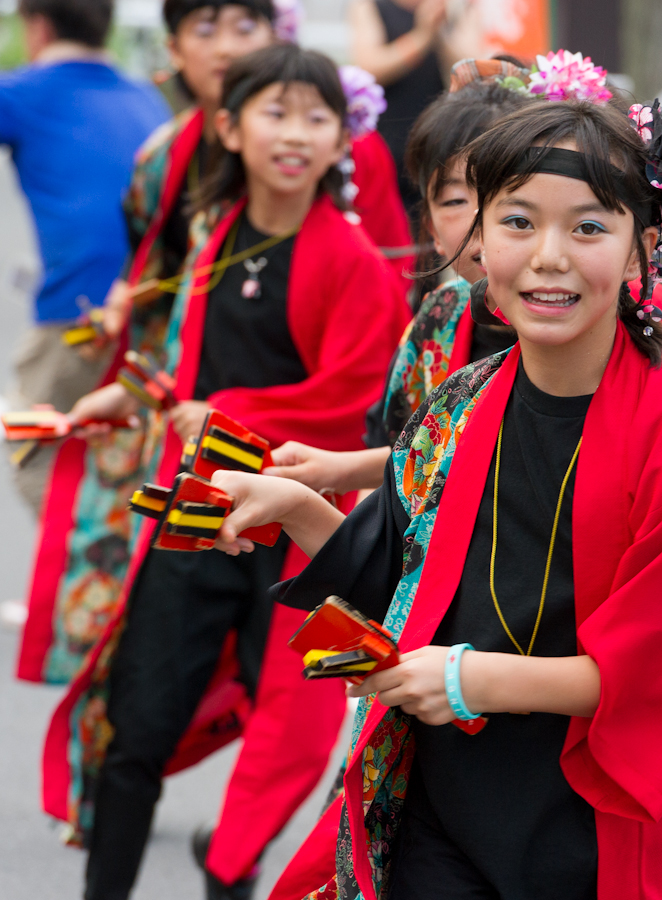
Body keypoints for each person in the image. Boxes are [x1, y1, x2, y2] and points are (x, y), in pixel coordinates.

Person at [212, 98, 662, 899]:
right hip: (437, 800)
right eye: (517, 222)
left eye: (587, 227)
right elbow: (404, 590)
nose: (549, 256)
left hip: (581, 818)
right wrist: (292, 505)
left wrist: (467, 680)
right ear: (478, 240)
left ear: (644, 246)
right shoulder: (461, 402)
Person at [40, 43, 410, 900]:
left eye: (318, 117)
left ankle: (230, 862)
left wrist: (236, 412)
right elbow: (184, 366)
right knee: (138, 722)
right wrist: (131, 396)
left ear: (340, 141)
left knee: (297, 732)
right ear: (228, 128)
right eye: (275, 112)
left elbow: (358, 400)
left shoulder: (353, 263)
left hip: (307, 536)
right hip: (202, 514)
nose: (296, 134)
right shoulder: (215, 236)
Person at [16, 1, 412, 687]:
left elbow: (365, 362)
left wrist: (224, 409)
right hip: (184, 432)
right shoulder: (176, 170)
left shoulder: (347, 252)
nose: (227, 45)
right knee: (143, 672)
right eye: (206, 28)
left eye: (244, 27)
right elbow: (161, 296)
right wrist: (133, 371)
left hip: (276, 456)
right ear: (175, 48)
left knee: (284, 684)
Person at [263, 57, 662, 505]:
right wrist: (337, 473)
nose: (491, 225)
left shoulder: (648, 319)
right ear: (432, 228)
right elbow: (421, 460)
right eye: (456, 199)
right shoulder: (439, 318)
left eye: (512, 201)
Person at [0, 0, 168, 513]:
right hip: (154, 306)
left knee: (34, 441)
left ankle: (87, 579)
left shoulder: (21, 91)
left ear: (38, 25)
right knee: (119, 449)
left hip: (80, 309)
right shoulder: (148, 98)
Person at [349, 0, 482, 214]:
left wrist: (439, 32)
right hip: (389, 140)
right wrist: (421, 36)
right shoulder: (371, 7)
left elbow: (472, 72)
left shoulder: (458, 8)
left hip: (442, 140)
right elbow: (370, 68)